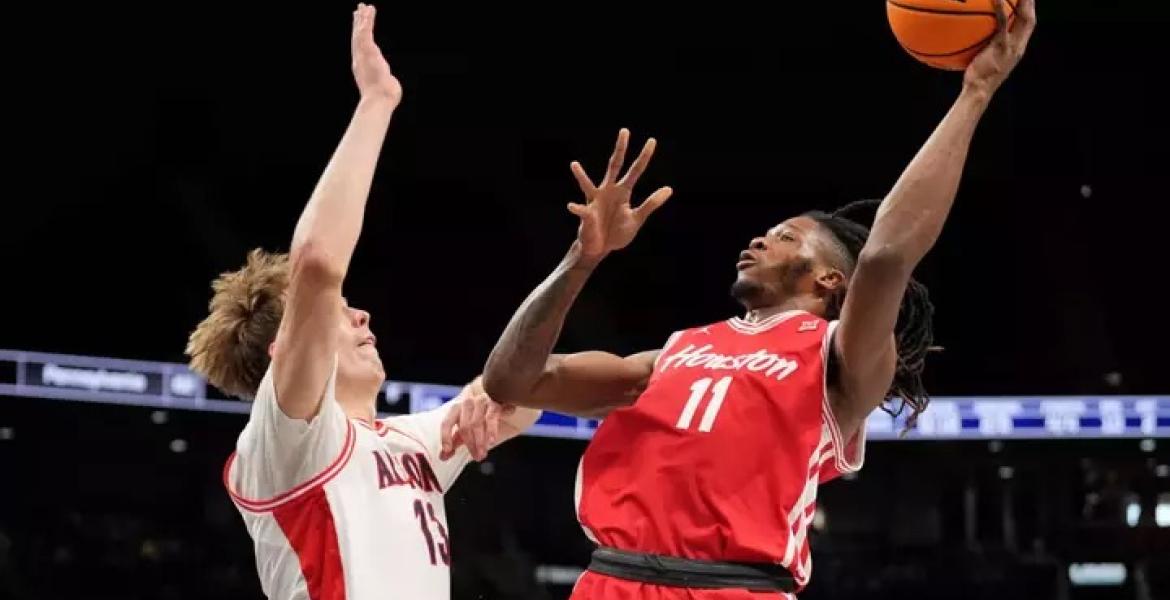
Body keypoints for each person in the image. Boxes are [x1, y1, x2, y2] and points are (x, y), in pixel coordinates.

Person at [479, 1, 1036, 597]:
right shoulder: (677, 351)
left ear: (829, 281)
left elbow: (884, 256)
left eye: (786, 237)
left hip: (737, 585)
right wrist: (580, 259)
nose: (759, 239)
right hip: (612, 579)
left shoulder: (841, 357)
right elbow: (510, 382)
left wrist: (975, 92)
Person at [184, 5, 539, 599]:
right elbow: (318, 264)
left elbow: (525, 402)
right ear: (290, 352)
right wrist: (377, 102)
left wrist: (495, 393)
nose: (361, 315)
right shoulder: (290, 441)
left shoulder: (406, 440)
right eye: (340, 312)